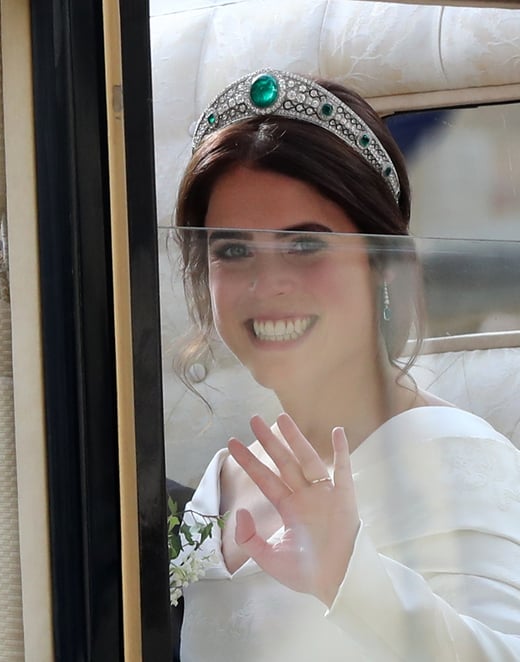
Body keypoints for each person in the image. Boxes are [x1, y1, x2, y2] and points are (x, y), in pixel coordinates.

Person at [172, 69, 520, 660]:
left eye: (305, 244)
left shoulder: (455, 457)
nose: (267, 285)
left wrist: (350, 577)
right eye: (232, 251)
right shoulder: (219, 488)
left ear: (383, 265)